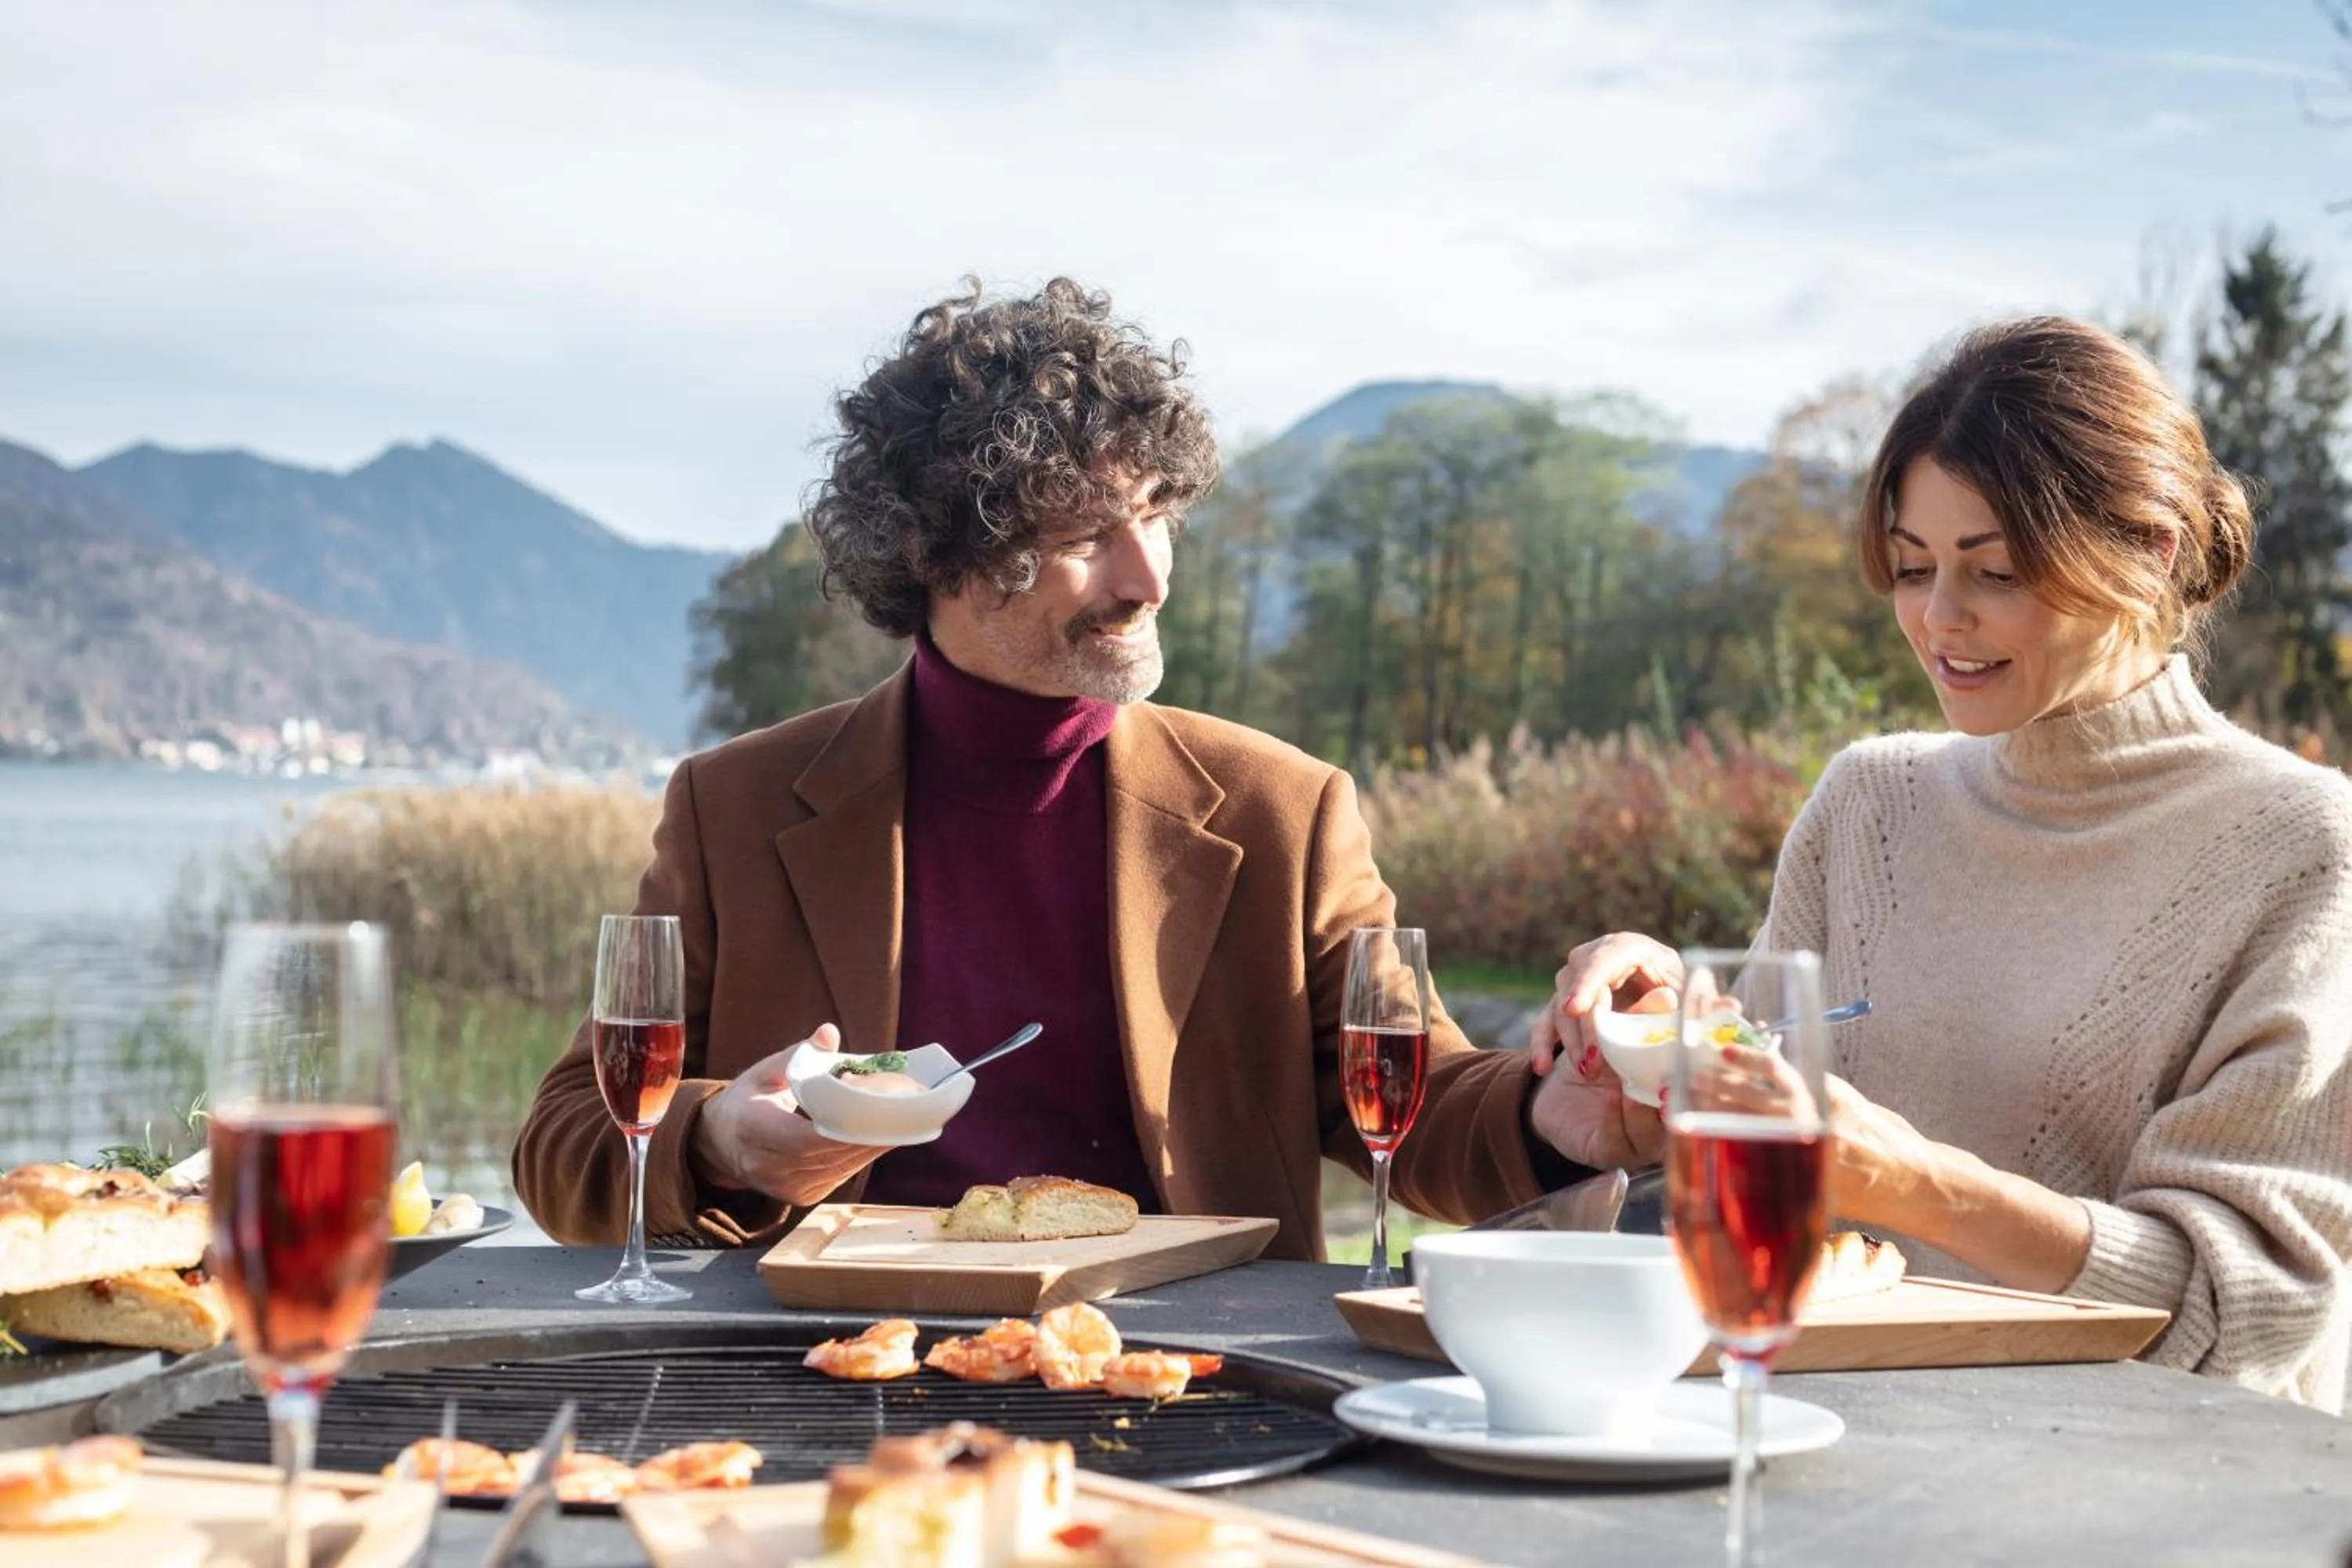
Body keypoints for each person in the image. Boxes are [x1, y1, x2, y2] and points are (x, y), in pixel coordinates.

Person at [514, 278, 1591, 1260]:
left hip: (1189, 1374)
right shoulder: (732, 807)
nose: (1149, 575)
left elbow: (1428, 1104)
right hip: (826, 1366)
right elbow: (561, 1148)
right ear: (941, 554)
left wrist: (1562, 1116)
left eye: (1160, 511)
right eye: (1087, 533)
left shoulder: (1285, 811)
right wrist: (713, 1141)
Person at [1532, 316, 2352, 1409]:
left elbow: (2239, 1311)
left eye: (1996, 570)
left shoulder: (2306, 849)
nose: (1939, 619)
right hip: (1834, 1441)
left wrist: (1915, 1184)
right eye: (1914, 567)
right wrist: (1658, 1062)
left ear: (2150, 553)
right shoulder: (1869, 803)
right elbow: (1761, 1177)